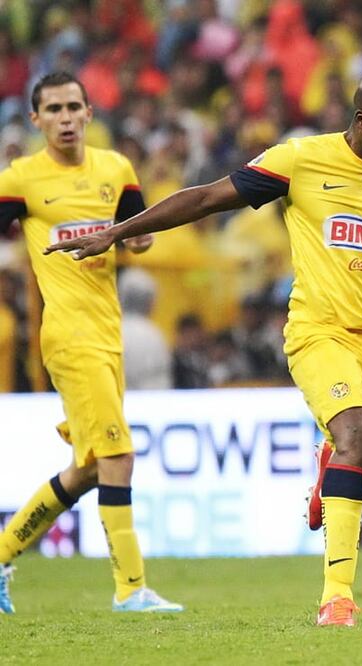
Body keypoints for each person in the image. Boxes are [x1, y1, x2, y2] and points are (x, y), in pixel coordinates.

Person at [46, 70, 362, 627]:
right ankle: (337, 597)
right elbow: (209, 197)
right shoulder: (301, 161)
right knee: (354, 428)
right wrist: (118, 231)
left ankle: (335, 468)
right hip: (320, 334)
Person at [0, 72, 181, 613]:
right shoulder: (20, 179)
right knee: (119, 455)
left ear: (88, 113)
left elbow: (140, 234)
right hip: (67, 335)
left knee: (87, 469)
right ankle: (130, 589)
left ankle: (3, 552)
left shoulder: (116, 170)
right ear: (36, 120)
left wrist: (137, 234)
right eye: (52, 109)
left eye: (73, 106)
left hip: (109, 333)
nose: (64, 117)